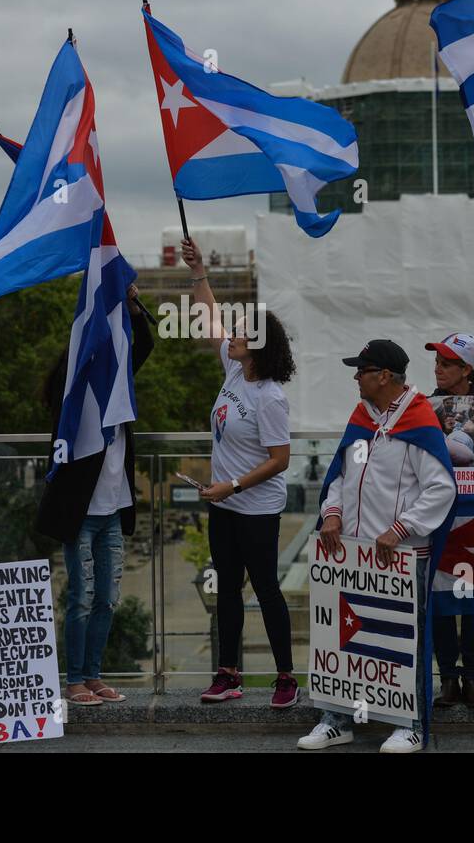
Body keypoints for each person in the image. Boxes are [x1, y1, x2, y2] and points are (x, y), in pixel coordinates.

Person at [297, 340, 457, 753]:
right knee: (344, 637)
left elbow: (441, 488)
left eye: (362, 370)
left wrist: (402, 528)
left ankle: (411, 724)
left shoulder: (419, 419)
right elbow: (339, 477)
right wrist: (332, 512)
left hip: (399, 553)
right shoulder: (362, 418)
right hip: (352, 551)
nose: (355, 376)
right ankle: (337, 719)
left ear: (384, 376)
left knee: (404, 637)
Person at [181, 237, 297, 709]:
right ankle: (227, 674)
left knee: (266, 588)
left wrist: (233, 485)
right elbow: (209, 316)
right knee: (226, 588)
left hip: (255, 507)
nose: (232, 334)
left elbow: (280, 459)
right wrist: (198, 271)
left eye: (243, 332)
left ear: (258, 347)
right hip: (224, 504)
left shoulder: (269, 397)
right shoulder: (234, 370)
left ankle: (286, 678)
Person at [36, 285, 154, 707]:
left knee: (106, 598)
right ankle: (74, 682)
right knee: (81, 598)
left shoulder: (118, 389)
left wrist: (133, 303)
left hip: (112, 510)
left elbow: (145, 344)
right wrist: (97, 306)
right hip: (81, 514)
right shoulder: (73, 401)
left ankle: (95, 676)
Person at [426, 332, 474, 710]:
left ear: (466, 369)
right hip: (438, 510)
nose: (438, 368)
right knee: (440, 594)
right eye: (437, 361)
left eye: (447, 363)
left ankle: (472, 678)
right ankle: (448, 677)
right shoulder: (422, 405)